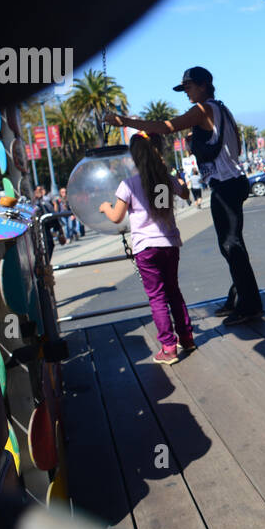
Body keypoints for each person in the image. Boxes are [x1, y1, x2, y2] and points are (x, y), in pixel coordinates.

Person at [106, 66, 264, 325]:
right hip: (233, 181)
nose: (186, 93)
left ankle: (249, 305)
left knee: (231, 245)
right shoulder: (222, 109)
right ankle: (240, 296)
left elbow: (166, 127)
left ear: (203, 85)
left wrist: (125, 121)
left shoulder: (203, 109)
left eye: (188, 87)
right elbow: (232, 142)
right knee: (232, 245)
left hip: (225, 185)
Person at [97, 133, 196, 364]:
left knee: (157, 297)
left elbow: (116, 216)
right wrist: (178, 178)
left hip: (146, 249)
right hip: (169, 244)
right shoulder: (164, 180)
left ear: (134, 157)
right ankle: (187, 337)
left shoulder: (129, 184)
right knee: (173, 291)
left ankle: (169, 348)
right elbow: (185, 193)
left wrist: (104, 207)